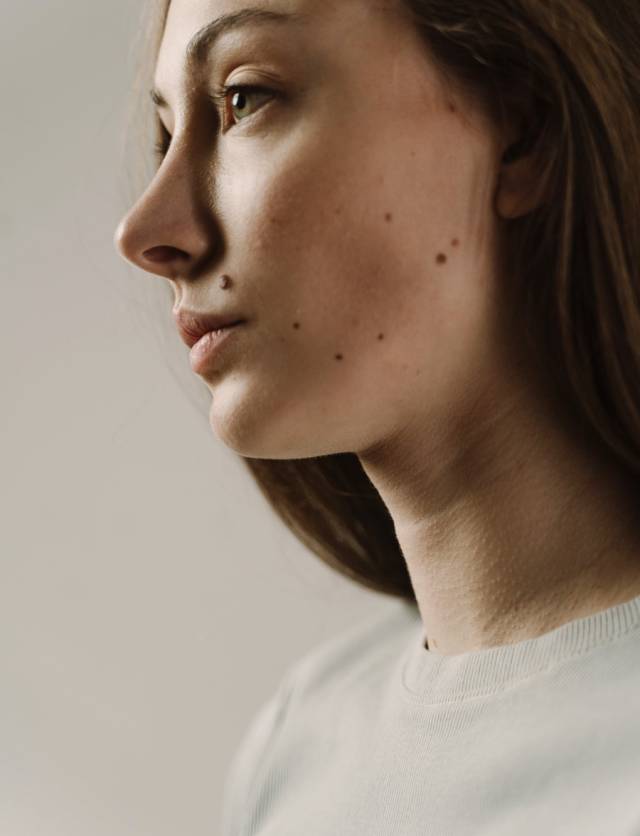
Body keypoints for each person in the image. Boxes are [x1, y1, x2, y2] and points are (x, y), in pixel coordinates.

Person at [113, 0, 640, 832]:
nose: (146, 230)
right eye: (164, 135)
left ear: (524, 127)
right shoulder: (298, 749)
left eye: (244, 99)